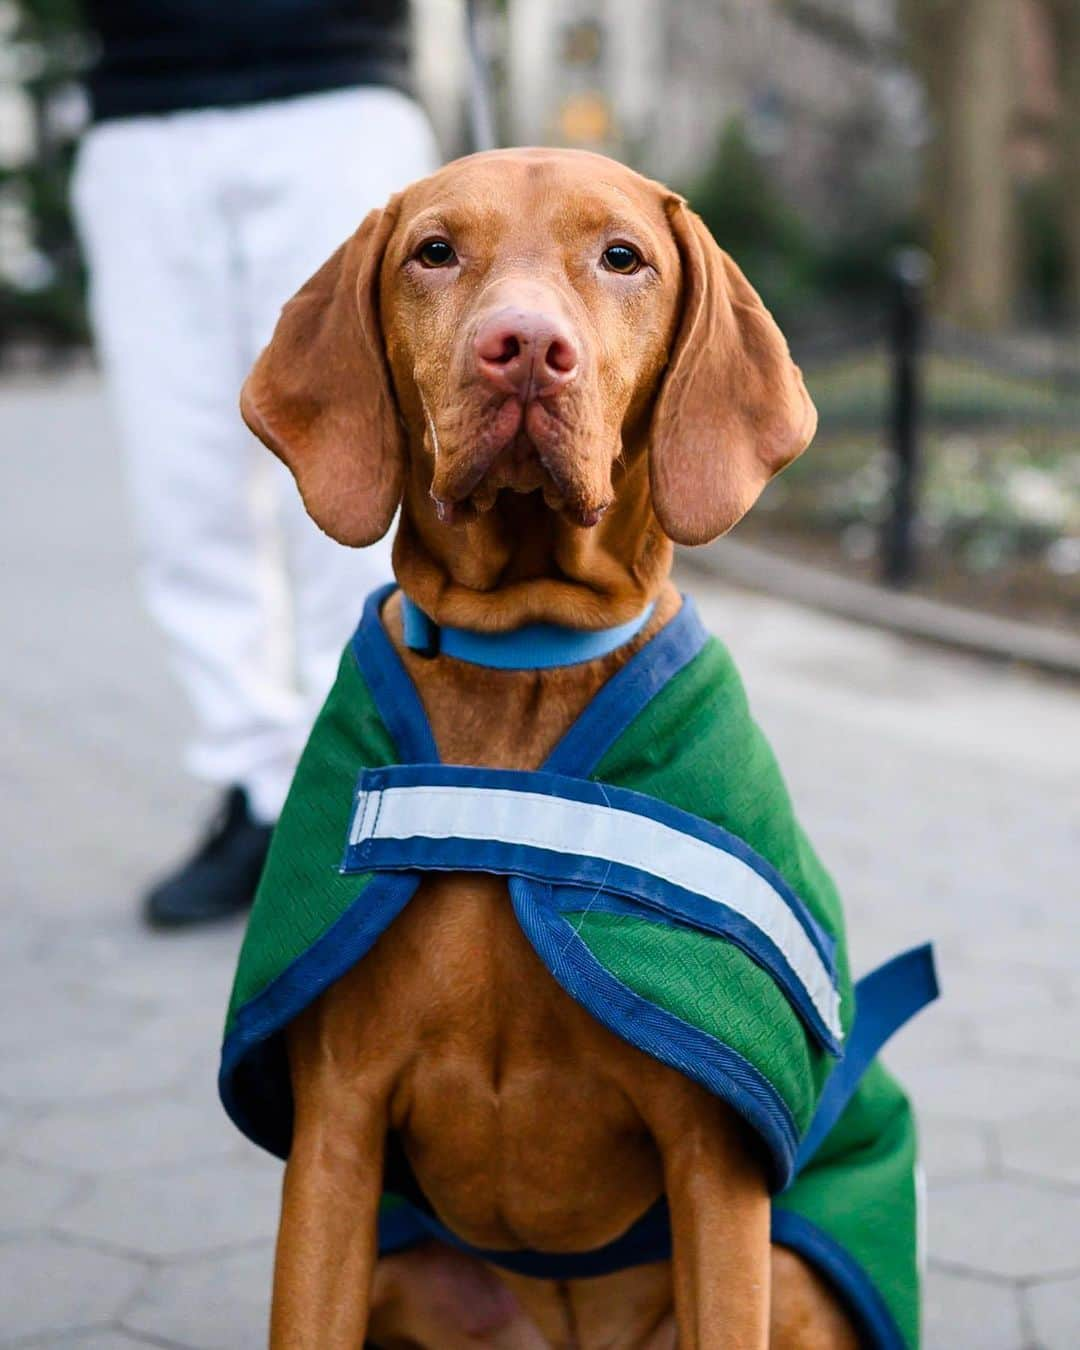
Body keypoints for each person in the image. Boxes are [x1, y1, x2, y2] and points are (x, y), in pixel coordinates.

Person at [71, 1, 439, 927]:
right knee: (180, 487)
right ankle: (261, 788)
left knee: (358, 470)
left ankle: (365, 788)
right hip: (139, 106)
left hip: (338, 92)